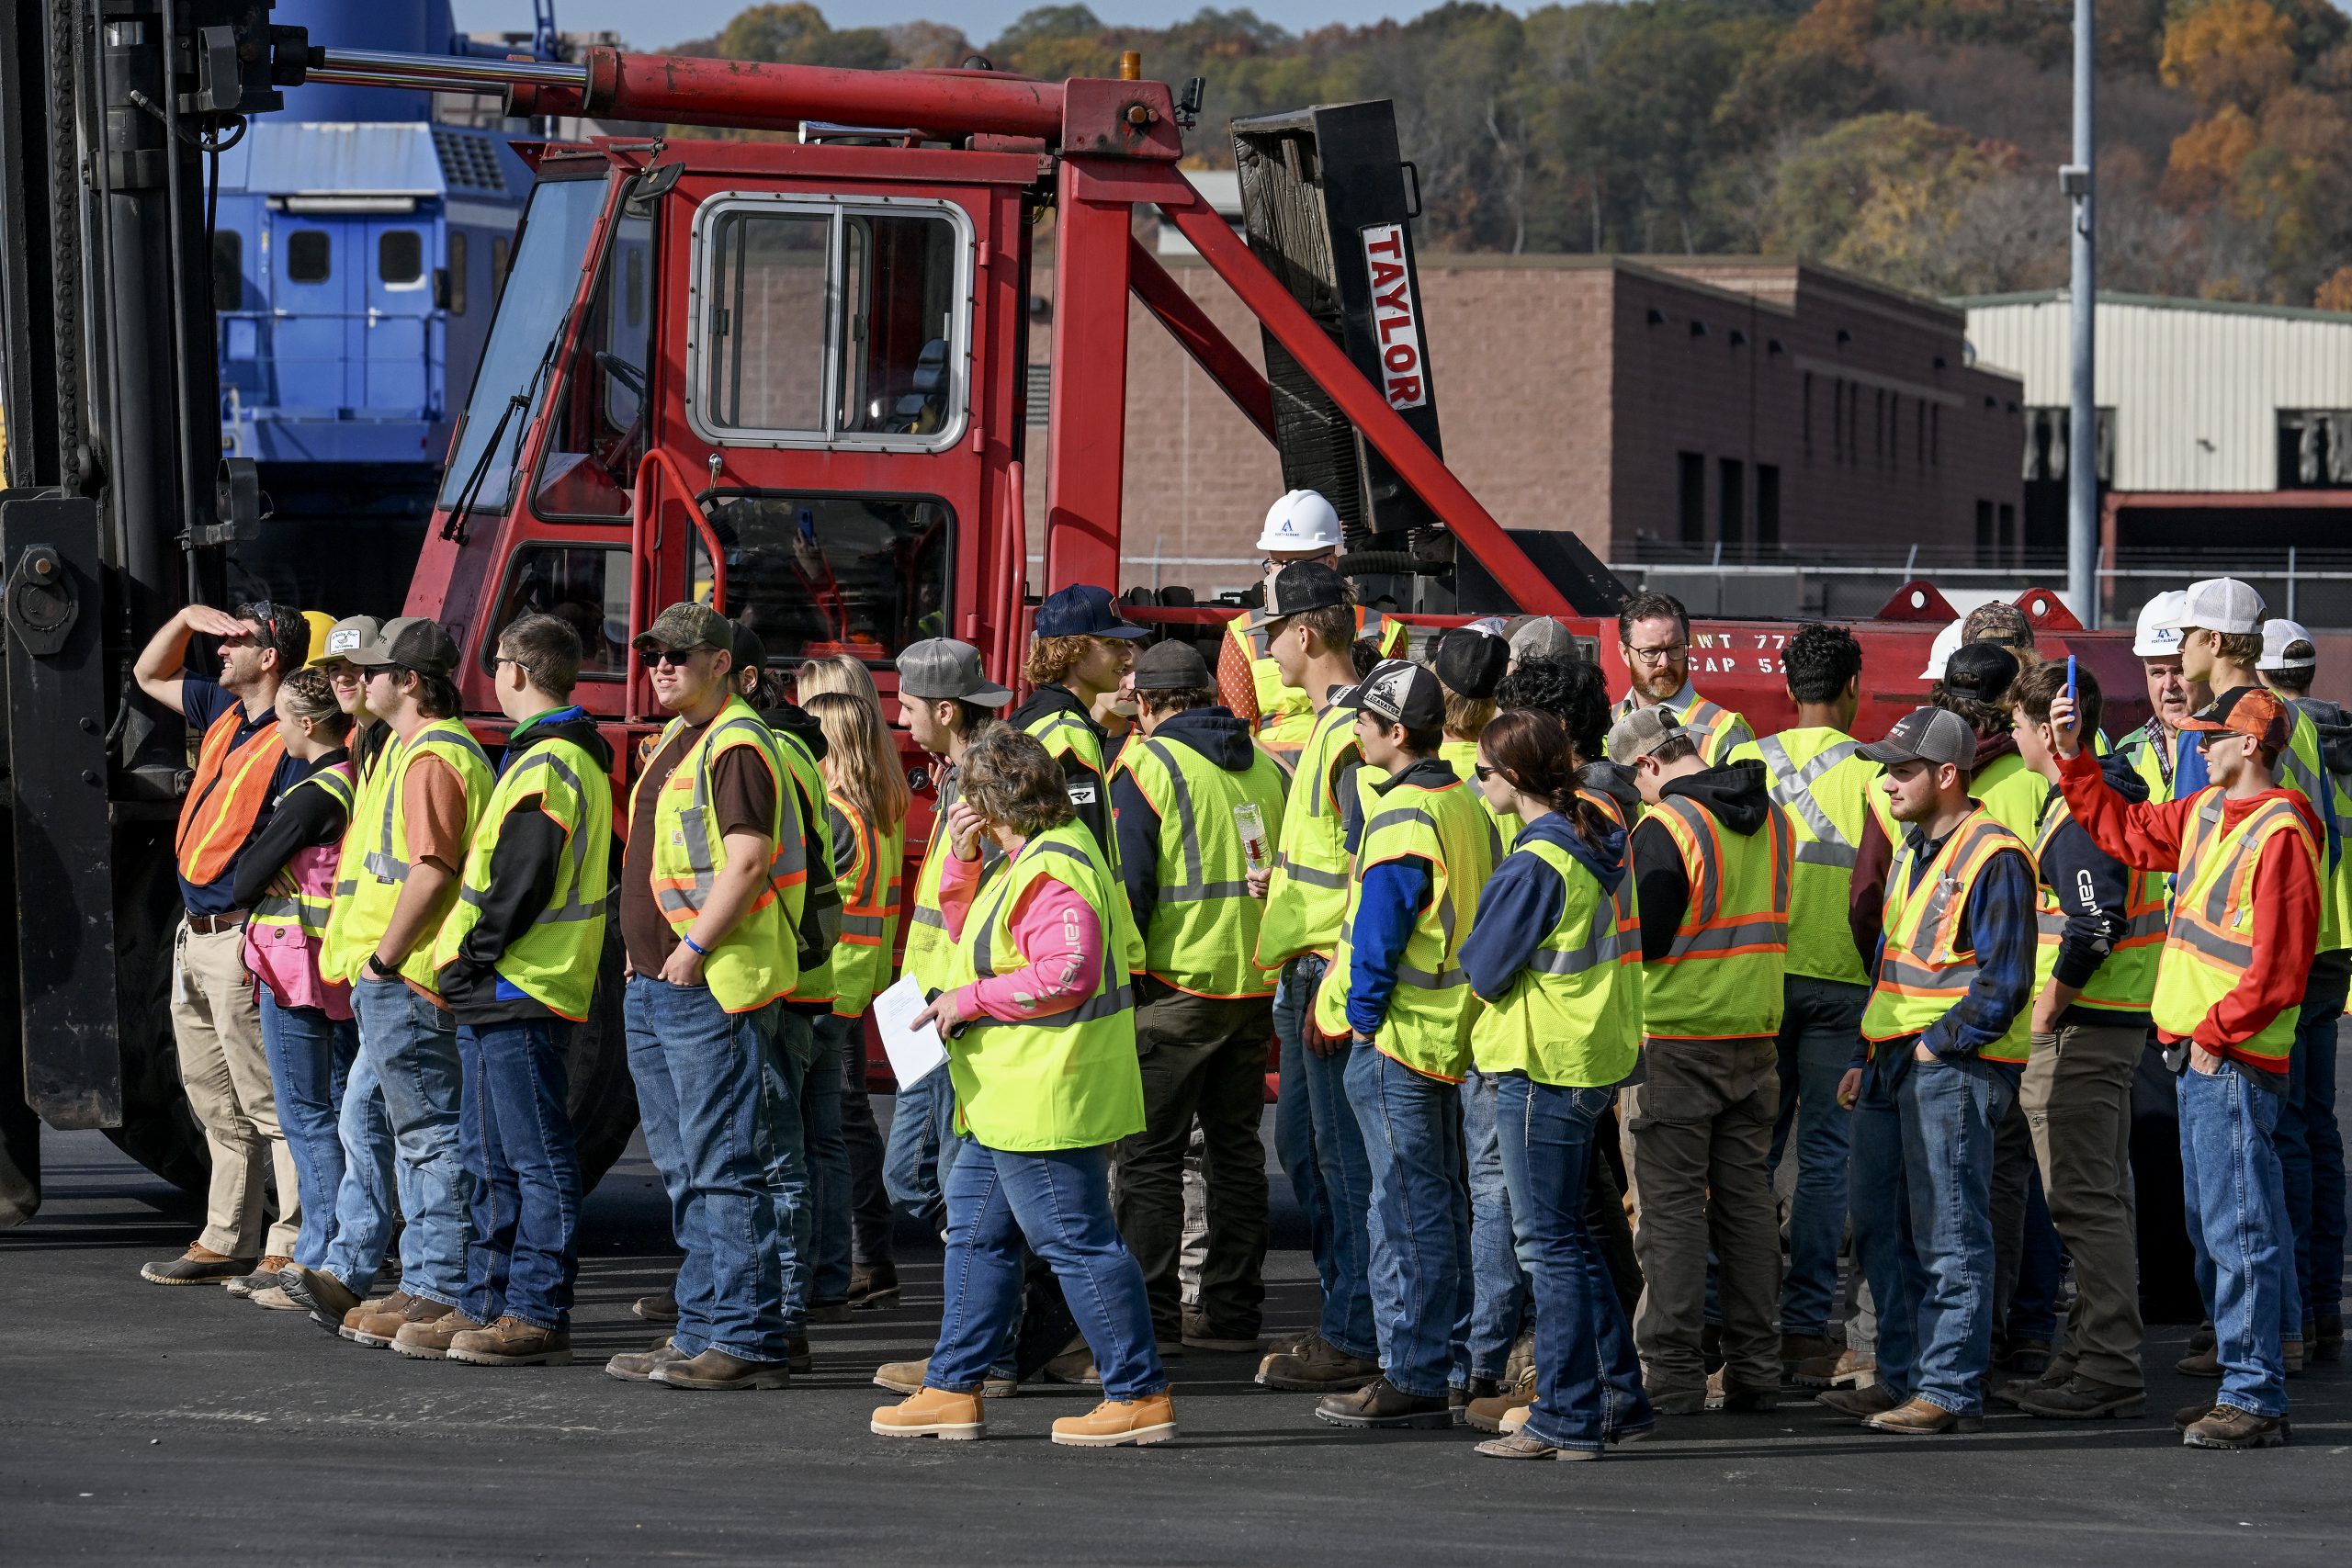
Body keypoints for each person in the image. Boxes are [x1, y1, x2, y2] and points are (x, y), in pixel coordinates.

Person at [871, 728, 1174, 1447]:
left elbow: (1067, 972)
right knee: (976, 1237)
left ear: (984, 799)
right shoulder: (1029, 856)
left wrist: (967, 1000)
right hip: (1008, 1095)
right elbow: (971, 926)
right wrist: (966, 855)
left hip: (1043, 1093)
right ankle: (952, 1385)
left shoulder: (1053, 865)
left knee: (1076, 1244)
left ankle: (1137, 1392)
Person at [2049, 683, 2319, 1450]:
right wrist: (2074, 760)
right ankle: (2244, 1382)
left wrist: (2215, 1032)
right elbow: (2124, 829)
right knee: (2222, 1228)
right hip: (2207, 1053)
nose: (2198, 745)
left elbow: (2281, 969)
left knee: (2239, 1230)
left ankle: (2253, 1393)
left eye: (2212, 735)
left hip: (2228, 1056)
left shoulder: (2278, 832)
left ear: (2251, 745)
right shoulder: (2209, 813)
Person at [385, 613, 607, 1368]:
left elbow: (519, 880)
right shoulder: (544, 756)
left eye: (499, 662)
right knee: (491, 1156)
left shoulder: (550, 760)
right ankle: (487, 1301)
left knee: (533, 1158)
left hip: (521, 984)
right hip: (504, 986)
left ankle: (536, 1310)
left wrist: (468, 958)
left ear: (515, 671)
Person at [605, 602, 802, 1393]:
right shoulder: (685, 742)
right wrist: (647, 957)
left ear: (722, 663)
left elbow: (748, 861)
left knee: (723, 1166)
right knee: (691, 1171)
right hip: (662, 984)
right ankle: (700, 1331)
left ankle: (746, 1337)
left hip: (707, 985)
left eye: (679, 656)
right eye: (653, 653)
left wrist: (689, 950)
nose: (660, 665)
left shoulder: (737, 741)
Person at [281, 618, 494, 1349]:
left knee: (427, 1136)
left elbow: (431, 869)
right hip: (396, 974)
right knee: (382, 1124)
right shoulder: (405, 750)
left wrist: (385, 958)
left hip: (410, 974)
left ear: (409, 681)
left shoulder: (432, 755)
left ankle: (436, 1284)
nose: (358, 683)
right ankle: (411, 1278)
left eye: (373, 671)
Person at [1826, 706, 2036, 1436]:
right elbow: (1893, 966)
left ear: (1947, 774)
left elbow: (2006, 981)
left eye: (1902, 768)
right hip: (1894, 1060)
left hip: (1950, 1065)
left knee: (1950, 1230)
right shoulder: (1918, 847)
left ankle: (1946, 1385)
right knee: (1883, 1227)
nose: (1887, 781)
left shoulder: (1993, 853)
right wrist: (1865, 1055)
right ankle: (1903, 1374)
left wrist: (1934, 1044)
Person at [1459, 707, 1653, 1460]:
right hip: (1587, 1057)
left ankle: (1568, 1413)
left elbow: (1482, 967)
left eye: (1481, 772)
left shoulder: (1537, 861)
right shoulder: (1595, 839)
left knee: (1551, 1245)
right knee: (1572, 1238)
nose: (1477, 784)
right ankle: (1612, 1396)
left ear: (1512, 778)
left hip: (1542, 1063)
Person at [2156, 579, 2340, 1370]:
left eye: (2189, 634)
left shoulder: (2241, 730)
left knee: (2251, 1186)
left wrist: (2216, 1027)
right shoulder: (2276, 720)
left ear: (2217, 642)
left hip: (2249, 993)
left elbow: (2218, 865)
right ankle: (2289, 1330)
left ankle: (2264, 1352)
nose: (2176, 653)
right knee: (2286, 1153)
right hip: (2296, 965)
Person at [1310, 658, 1495, 1428]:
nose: (1353, 729)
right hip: (1452, 1033)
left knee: (1404, 1208)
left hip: (1401, 1038)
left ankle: (1412, 1372)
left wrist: (1358, 1013)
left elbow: (1380, 938)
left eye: (1364, 721)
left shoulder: (1402, 815)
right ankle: (1447, 1362)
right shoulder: (1463, 800)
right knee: (1441, 1204)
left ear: (1395, 732)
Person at [1607, 705, 1791, 1415]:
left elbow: (1645, 938)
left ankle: (1673, 1373)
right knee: (1747, 1206)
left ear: (1649, 764)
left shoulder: (1668, 828)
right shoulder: (1771, 818)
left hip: (1678, 1040)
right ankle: (1755, 1367)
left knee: (1671, 1213)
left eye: (1636, 781)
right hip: (1754, 1034)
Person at [1993, 660, 2163, 1419]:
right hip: (2112, 1022)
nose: (2014, 737)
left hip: (2083, 1028)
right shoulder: (2116, 789)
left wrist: (2043, 1012)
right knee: (2098, 1198)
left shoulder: (2078, 809)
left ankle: (2107, 1366)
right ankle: (2089, 1350)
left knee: (2083, 1202)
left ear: (2047, 728)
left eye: (2019, 725)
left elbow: (2093, 926)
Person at [1107, 639, 1286, 1353]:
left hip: (1174, 988)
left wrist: (1122, 981)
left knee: (1149, 1157)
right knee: (1237, 1153)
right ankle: (1232, 1309)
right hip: (1252, 982)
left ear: (1146, 704)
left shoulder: (1146, 765)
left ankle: (1149, 1319)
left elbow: (1132, 890)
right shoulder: (1266, 766)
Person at [132, 601, 311, 1288]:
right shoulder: (221, 710)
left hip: (240, 933)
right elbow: (150, 673)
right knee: (212, 1094)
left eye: (234, 641)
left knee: (269, 1100)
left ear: (270, 657)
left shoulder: (291, 736)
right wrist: (183, 616)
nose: (218, 651)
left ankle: (289, 1240)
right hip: (194, 932)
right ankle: (225, 1233)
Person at [1727, 622, 1880, 1380]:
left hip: (1761, 981)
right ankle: (1803, 1324)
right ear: (1855, 688)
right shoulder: (1876, 774)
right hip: (1847, 985)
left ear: (1787, 689)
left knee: (1749, 1152)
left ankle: (1741, 1319)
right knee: (1826, 1157)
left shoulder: (1746, 762)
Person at [1250, 563, 1382, 1395]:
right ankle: (1353, 1313)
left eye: (1269, 632)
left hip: (1326, 973)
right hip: (1313, 964)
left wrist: (1338, 971)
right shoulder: (1337, 725)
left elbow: (1378, 859)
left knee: (1339, 1157)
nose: (1263, 648)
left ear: (1304, 634)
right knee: (1308, 1145)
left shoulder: (1343, 735)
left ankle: (1358, 1328)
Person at [1934, 637, 2062, 1374]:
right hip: (2030, 1010)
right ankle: (2023, 1331)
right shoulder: (2038, 777)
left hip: (1953, 1018)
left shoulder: (1938, 779)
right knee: (2018, 1185)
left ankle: (1968, 1347)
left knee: (1961, 1196)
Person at [228, 667, 359, 1309]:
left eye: (280, 717)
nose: (274, 727)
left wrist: (262, 866)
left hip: (297, 973)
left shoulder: (311, 794)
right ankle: (338, 1251)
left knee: (306, 1116)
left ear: (307, 725)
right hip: (328, 969)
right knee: (336, 1114)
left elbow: (241, 875)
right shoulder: (351, 780)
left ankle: (318, 1256)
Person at [1428, 623, 1524, 1403]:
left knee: (1438, 1187)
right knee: (1496, 1186)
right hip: (1501, 1008)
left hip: (1425, 1010)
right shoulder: (1512, 778)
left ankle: (1450, 1349)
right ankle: (1486, 1351)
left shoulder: (1426, 782)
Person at [2256, 619, 2349, 1366]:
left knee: (2284, 1131)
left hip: (2298, 941)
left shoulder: (2280, 732)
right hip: (2336, 942)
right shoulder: (2334, 733)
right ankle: (2320, 1312)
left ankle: (2293, 1316)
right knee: (2316, 1128)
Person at [804, 685, 910, 1314]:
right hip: (856, 983)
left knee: (831, 1133)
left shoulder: (837, 812)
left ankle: (850, 1259)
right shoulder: (879, 808)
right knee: (847, 1128)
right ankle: (864, 1256)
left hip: (824, 988)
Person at [1217, 489, 1408, 761]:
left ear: (1331, 563)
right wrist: (1293, 778)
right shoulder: (1242, 632)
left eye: (1295, 563)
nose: (1283, 574)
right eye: (1275, 563)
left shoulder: (1384, 632)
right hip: (1273, 785)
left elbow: (1392, 730)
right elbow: (1236, 731)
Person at [1010, 584, 1148, 862]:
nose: (1126, 655)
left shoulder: (1032, 716)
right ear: (1071, 650)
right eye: (1111, 643)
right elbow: (1082, 853)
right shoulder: (1067, 732)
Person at [1611, 591, 1754, 766]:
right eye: (1651, 651)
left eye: (1675, 648)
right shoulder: (1606, 720)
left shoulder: (1723, 729)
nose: (1665, 662)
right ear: (1625, 653)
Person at [2113, 591, 2202, 804]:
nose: (2169, 684)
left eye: (2180, 670)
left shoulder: (2229, 744)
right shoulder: (2127, 750)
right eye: (2157, 673)